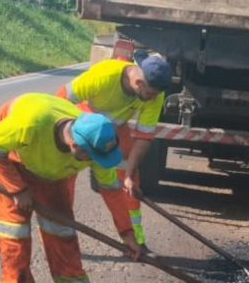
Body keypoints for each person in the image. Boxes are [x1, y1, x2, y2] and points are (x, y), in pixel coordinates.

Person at [0, 92, 143, 283]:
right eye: (93, 156)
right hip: (11, 161)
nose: (97, 161)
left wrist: (127, 234)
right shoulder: (31, 121)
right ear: (76, 144)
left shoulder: (93, 139)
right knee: (14, 233)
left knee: (63, 233)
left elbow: (110, 189)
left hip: (50, 171)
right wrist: (17, 189)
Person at [57, 55, 173, 251]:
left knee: (130, 179)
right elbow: (59, 99)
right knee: (64, 180)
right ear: (138, 82)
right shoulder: (104, 75)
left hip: (114, 129)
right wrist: (65, 136)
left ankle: (134, 239)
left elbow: (144, 137)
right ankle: (61, 240)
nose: (154, 98)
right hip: (80, 122)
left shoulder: (155, 92)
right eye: (151, 93)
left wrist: (128, 175)